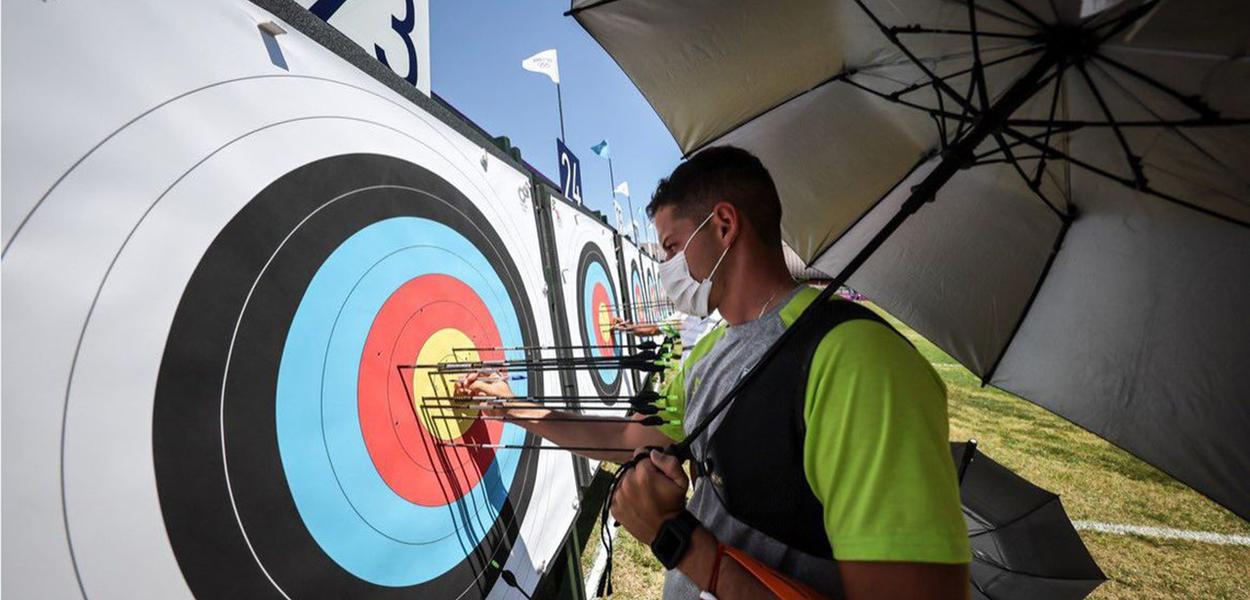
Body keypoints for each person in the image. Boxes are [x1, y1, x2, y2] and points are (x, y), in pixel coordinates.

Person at [458, 146, 969, 599]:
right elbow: (625, 436)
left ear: (724, 226)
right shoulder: (708, 354)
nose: (666, 269)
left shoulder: (860, 360)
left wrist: (675, 539)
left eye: (673, 248)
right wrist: (514, 406)